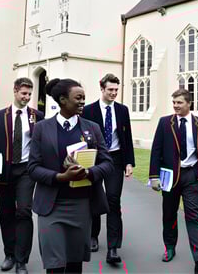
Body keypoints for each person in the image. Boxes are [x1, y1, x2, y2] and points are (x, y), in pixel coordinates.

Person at [27, 78, 113, 274]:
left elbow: (107, 163)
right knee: (54, 265)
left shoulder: (92, 128)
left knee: (75, 265)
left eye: (84, 97)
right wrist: (61, 177)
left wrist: (90, 172)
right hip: (51, 207)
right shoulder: (42, 128)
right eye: (78, 98)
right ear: (63, 100)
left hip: (81, 206)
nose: (83, 101)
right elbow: (33, 168)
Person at [149, 89, 198, 273]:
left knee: (193, 216)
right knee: (169, 214)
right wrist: (153, 176)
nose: (176, 106)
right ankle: (169, 248)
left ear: (189, 103)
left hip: (191, 176)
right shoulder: (164, 123)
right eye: (174, 102)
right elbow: (156, 150)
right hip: (170, 177)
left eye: (179, 102)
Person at [0, 77, 44, 274]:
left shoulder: (37, 116)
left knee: (24, 211)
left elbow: (45, 141)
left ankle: (21, 260)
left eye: (29, 94)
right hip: (4, 172)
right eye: (23, 93)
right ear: (15, 91)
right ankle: (9, 254)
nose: (27, 97)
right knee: (6, 212)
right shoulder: (0, 116)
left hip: (27, 170)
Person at [81, 73, 135, 263]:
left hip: (116, 159)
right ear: (102, 88)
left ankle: (113, 247)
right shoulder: (88, 111)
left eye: (116, 90)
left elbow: (126, 138)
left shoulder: (122, 110)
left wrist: (129, 162)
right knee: (94, 197)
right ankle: (93, 235)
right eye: (110, 90)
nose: (113, 93)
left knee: (113, 199)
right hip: (94, 159)